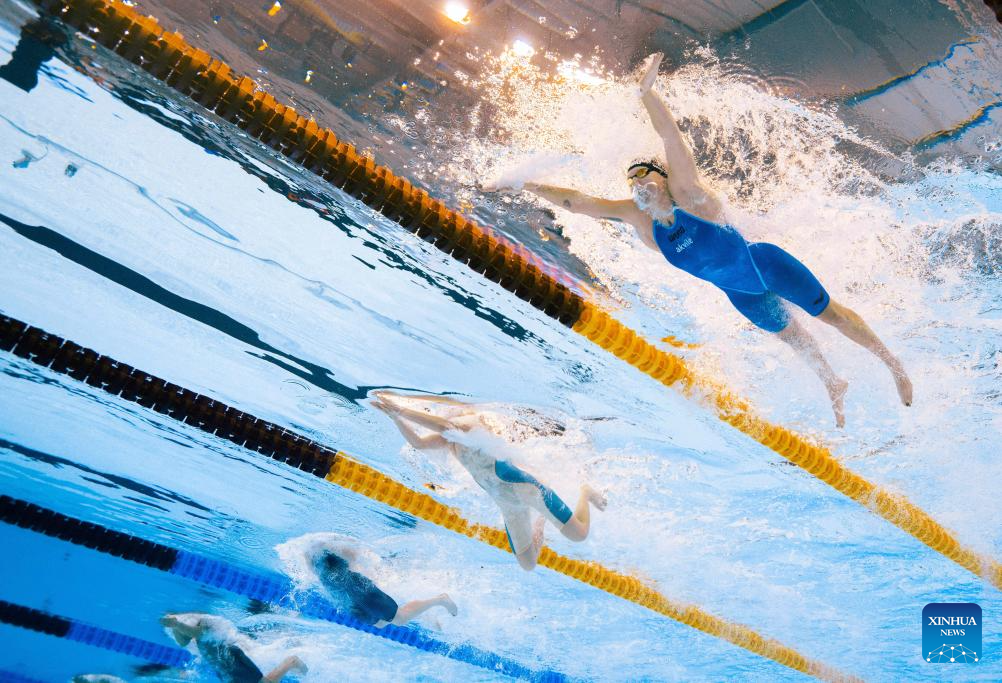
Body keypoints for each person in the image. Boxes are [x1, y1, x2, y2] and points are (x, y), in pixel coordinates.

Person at [490, 53, 913, 428]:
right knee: (794, 339)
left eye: (643, 174)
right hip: (740, 294)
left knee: (830, 316)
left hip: (766, 265)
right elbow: (578, 203)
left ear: (662, 177)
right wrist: (526, 184)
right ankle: (832, 382)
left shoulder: (689, 194)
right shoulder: (640, 220)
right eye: (631, 179)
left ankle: (892, 364)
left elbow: (670, 137)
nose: (636, 183)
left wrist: (646, 94)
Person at [371, 391, 606, 570]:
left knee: (578, 535)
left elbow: (446, 426)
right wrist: (395, 418)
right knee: (528, 563)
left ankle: (585, 492)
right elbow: (419, 443)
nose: (444, 411)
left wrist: (401, 411)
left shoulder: (470, 423)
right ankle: (541, 521)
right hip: (506, 503)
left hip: (526, 489)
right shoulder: (449, 439)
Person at [302, 536, 458, 627]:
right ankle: (422, 613)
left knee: (400, 619)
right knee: (380, 624)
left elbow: (354, 556)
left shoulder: (326, 547)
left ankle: (440, 600)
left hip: (358, 591)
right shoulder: (311, 552)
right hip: (345, 599)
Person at [159, 613, 307, 683]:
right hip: (214, 635)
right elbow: (292, 661)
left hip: (213, 640)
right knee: (199, 636)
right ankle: (176, 623)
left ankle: (175, 623)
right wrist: (305, 673)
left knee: (184, 642)